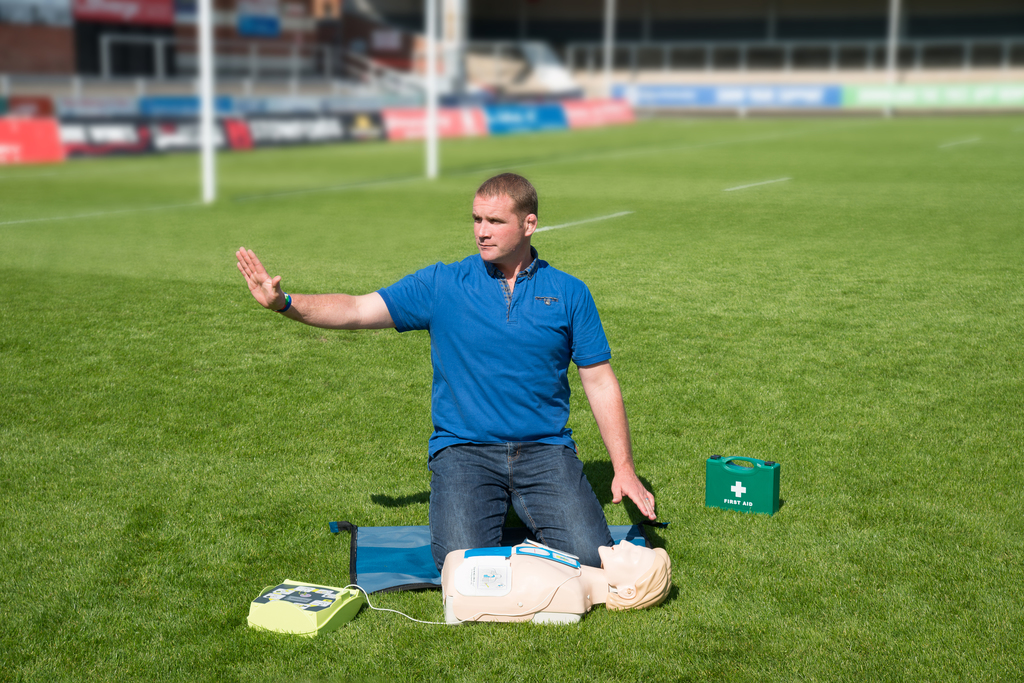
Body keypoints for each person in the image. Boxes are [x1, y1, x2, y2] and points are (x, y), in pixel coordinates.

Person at [236, 173, 656, 571]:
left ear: (529, 224)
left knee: (588, 556)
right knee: (460, 561)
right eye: (476, 219)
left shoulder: (569, 292)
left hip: (545, 450)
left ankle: (538, 517)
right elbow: (357, 308)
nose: (481, 231)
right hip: (465, 451)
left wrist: (623, 468)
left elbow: (599, 381)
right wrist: (284, 303)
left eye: (495, 221)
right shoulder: (442, 284)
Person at [440, 541, 672, 624]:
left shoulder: (571, 590)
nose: (626, 544)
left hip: (463, 583)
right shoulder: (573, 573)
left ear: (628, 592)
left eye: (633, 555)